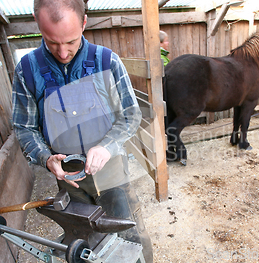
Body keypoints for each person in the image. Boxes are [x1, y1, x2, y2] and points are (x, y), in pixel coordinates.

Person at [11, 0, 153, 261]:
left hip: (112, 176)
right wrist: (45, 157)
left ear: (84, 22)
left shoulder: (107, 62)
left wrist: (106, 146)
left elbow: (131, 115)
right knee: (84, 243)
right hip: (69, 182)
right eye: (52, 42)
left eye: (71, 42)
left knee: (131, 237)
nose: (63, 53)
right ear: (36, 23)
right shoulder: (27, 71)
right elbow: (25, 127)